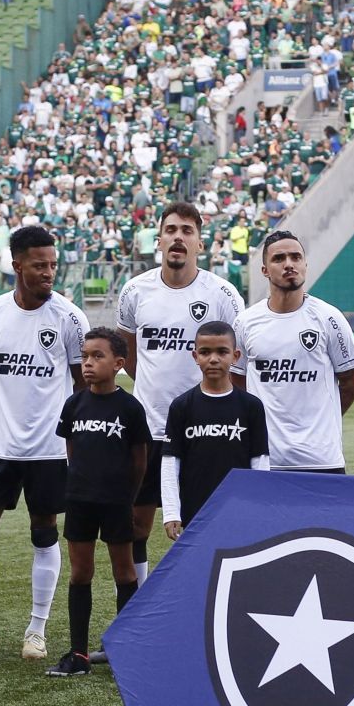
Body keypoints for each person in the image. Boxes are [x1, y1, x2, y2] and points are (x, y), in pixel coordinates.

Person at [0, 224, 88, 660]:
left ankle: (36, 630)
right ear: (17, 265)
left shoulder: (70, 318)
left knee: (44, 531)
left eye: (53, 265)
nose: (49, 272)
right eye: (39, 265)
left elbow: (82, 385)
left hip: (49, 450)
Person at [115, 202, 244, 608]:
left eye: (187, 230)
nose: (178, 237)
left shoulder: (222, 294)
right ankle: (138, 612)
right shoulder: (136, 290)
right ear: (159, 239)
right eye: (170, 229)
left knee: (204, 525)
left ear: (199, 242)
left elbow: (236, 359)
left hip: (203, 433)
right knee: (137, 524)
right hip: (147, 429)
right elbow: (128, 354)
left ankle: (204, 614)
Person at [49, 327, 149, 678]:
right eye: (86, 356)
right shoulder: (75, 403)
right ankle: (78, 654)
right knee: (80, 574)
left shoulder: (130, 407)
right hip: (79, 500)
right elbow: (72, 451)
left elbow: (139, 459)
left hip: (117, 502)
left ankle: (126, 649)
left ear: (119, 363)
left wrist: (129, 498)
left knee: (124, 572)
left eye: (97, 356)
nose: (88, 363)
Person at [234, 231, 354, 476]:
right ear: (264, 270)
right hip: (264, 458)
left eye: (295, 257)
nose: (289, 264)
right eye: (279, 258)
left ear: (305, 264)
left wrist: (323, 423)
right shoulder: (245, 322)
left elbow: (351, 383)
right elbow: (237, 382)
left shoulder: (329, 318)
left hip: (322, 458)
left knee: (322, 517)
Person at [162, 321, 269, 540]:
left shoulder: (251, 406)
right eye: (205, 352)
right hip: (194, 507)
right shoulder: (181, 406)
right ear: (195, 356)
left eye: (222, 352)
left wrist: (258, 504)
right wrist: (172, 511)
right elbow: (171, 461)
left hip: (239, 507)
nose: (213, 359)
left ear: (236, 356)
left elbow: (260, 461)